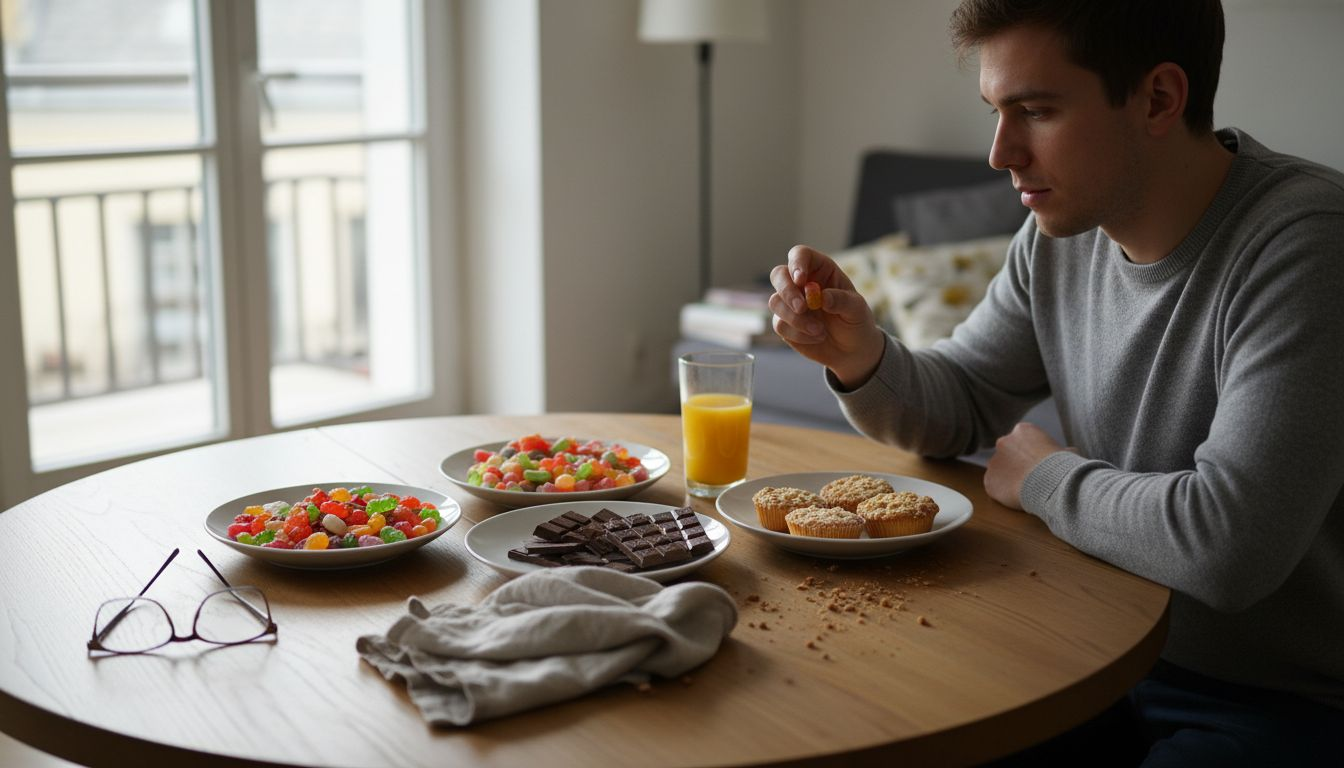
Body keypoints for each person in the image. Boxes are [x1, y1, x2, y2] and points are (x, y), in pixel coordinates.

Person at [768, 1, 1344, 765]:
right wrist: (860, 353)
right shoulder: (1060, 238)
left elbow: (1229, 547)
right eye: (996, 112)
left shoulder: (1307, 244)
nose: (1001, 153)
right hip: (1099, 650)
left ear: (1159, 99)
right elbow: (964, 399)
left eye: (1035, 111)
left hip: (1281, 703)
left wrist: (1046, 478)